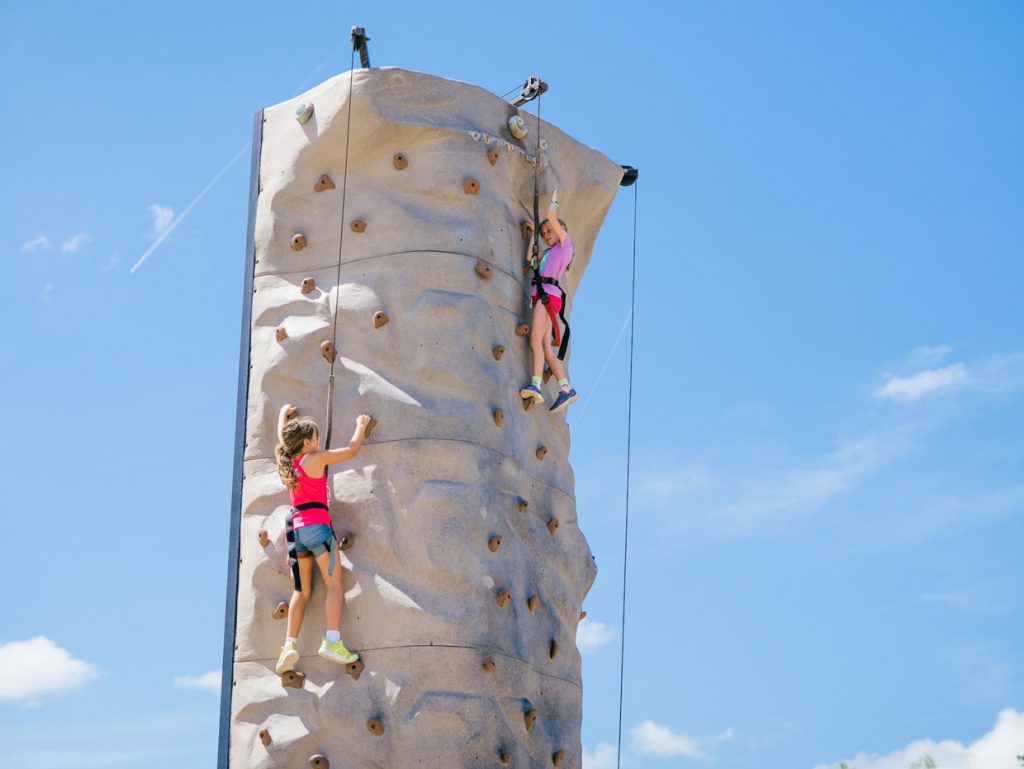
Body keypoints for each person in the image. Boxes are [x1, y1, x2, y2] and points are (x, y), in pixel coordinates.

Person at [274, 404, 371, 674]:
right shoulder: (314, 459)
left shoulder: (290, 461)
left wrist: (283, 415)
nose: (319, 441)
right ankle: (332, 641)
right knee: (335, 584)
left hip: (296, 530)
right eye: (316, 437)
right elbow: (352, 450)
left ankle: (288, 646)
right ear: (306, 442)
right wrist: (361, 426)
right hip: (318, 527)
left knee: (301, 591)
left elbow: (282, 438)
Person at [519, 188, 579, 412]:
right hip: (545, 299)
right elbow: (529, 258)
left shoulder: (565, 246)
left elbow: (552, 217)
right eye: (545, 233)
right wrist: (534, 234)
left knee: (534, 340)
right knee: (544, 347)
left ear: (562, 230)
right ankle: (565, 389)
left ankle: (535, 385)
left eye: (550, 230)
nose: (547, 233)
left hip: (547, 299)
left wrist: (554, 201)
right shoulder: (548, 254)